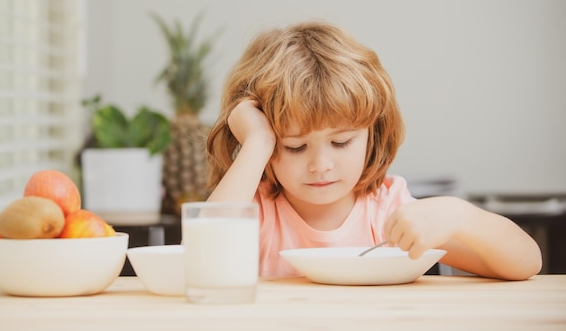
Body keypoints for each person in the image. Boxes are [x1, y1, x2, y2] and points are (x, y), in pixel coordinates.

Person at [205, 20, 542, 281]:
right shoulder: (255, 210)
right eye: (294, 147)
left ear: (373, 133)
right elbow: (202, 261)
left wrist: (460, 216)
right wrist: (256, 143)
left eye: (341, 142)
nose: (320, 165)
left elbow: (526, 263)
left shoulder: (387, 210)